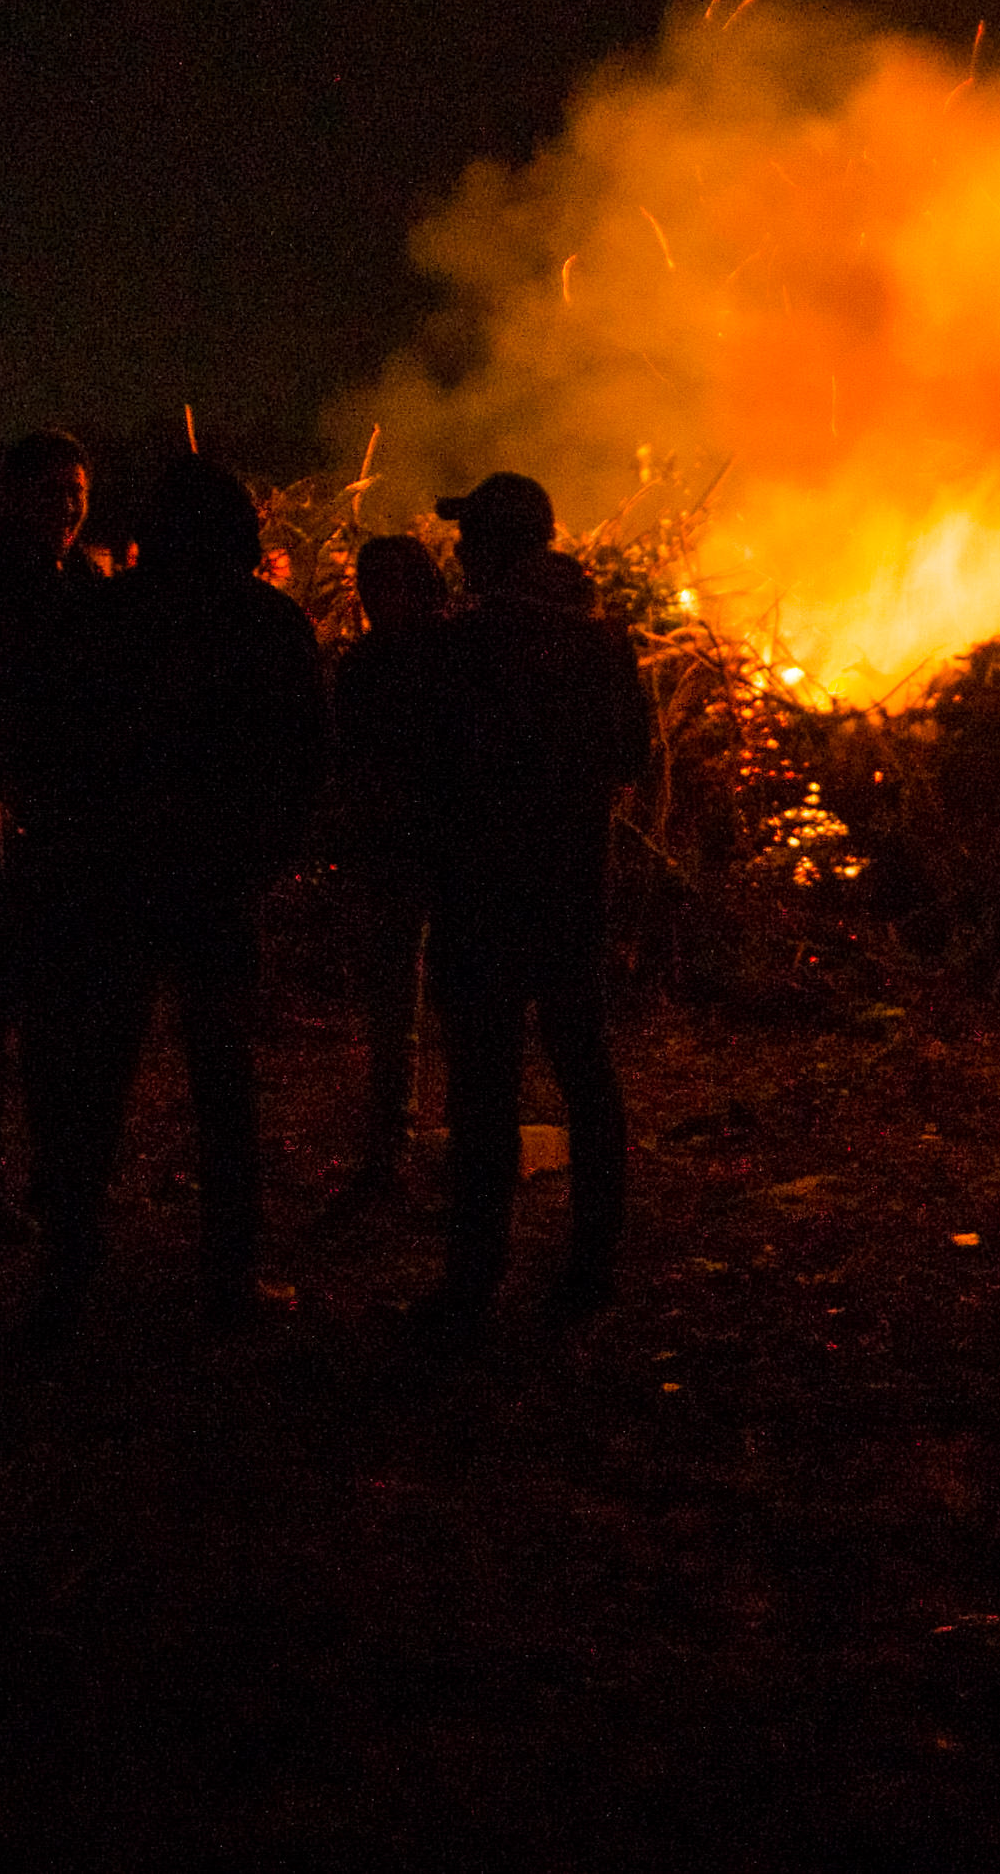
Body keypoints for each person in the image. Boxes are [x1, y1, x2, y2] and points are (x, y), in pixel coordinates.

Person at [23, 457, 325, 1340]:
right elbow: (307, 758)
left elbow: (48, 740)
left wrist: (76, 839)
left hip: (110, 877)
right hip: (213, 881)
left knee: (92, 1079)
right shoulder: (266, 623)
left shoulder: (102, 613)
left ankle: (66, 1270)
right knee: (223, 1081)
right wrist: (263, 855)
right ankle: (228, 1275)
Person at [409, 471, 654, 1345]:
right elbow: (632, 758)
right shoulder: (600, 644)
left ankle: (474, 1277)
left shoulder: (460, 644)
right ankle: (591, 1267)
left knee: (484, 1090)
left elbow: (427, 765)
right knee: (585, 1074)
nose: (457, 552)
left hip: (480, 897)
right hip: (569, 893)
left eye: (468, 537)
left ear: (492, 548)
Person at [0, 427, 103, 1250]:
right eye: (52, 491)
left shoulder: (83, 576)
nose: (68, 507)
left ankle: (53, 1172)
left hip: (71, 823)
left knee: (60, 1017)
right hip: (4, 820)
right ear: (13, 496)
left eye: (78, 491)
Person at [324, 533, 453, 1220]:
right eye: (370, 586)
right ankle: (389, 1153)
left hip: (447, 852)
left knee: (452, 1007)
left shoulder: (453, 656)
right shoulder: (367, 664)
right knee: (395, 1011)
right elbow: (345, 759)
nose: (378, 599)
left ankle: (451, 1146)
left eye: (391, 584)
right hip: (394, 854)